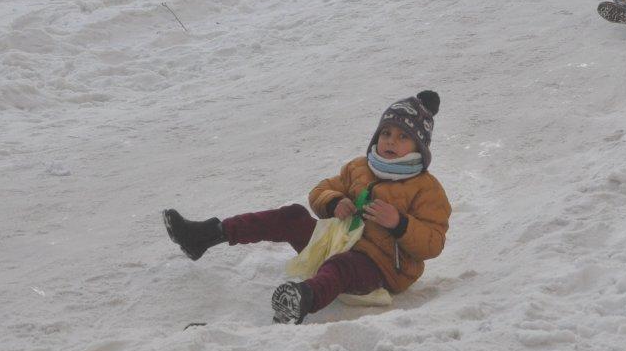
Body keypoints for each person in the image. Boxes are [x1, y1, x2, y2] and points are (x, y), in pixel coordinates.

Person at [162, 91, 452, 324]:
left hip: (381, 268)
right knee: (292, 216)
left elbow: (433, 243)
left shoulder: (426, 189)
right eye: (386, 133)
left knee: (342, 266)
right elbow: (319, 192)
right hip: (335, 243)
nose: (391, 141)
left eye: (403, 137)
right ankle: (206, 235)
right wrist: (335, 202)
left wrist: (399, 223)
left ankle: (302, 299)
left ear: (419, 146)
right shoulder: (359, 167)